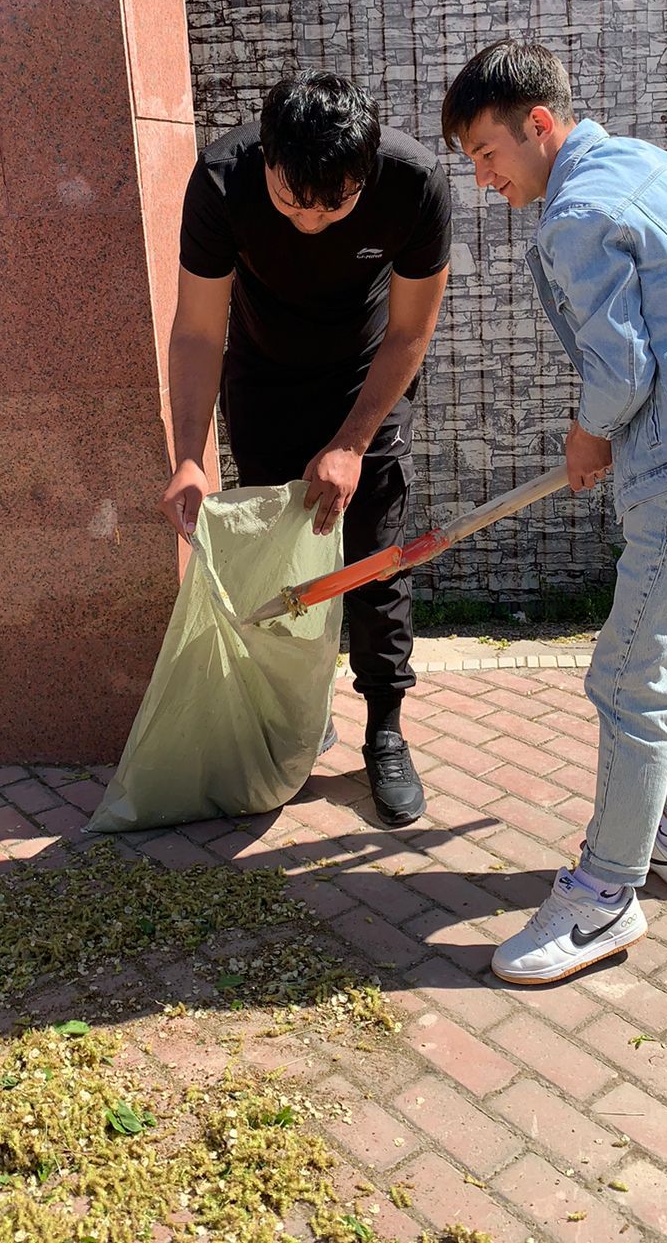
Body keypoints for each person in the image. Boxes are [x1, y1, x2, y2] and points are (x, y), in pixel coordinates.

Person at [441, 40, 667, 983]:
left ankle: (604, 896)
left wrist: (588, 434)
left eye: (487, 154)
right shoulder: (643, 162)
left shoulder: (577, 212)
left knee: (629, 677)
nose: (483, 179)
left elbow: (623, 370)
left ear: (539, 125)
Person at [161, 71, 451, 826]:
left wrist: (353, 441)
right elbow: (198, 331)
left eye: (335, 206)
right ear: (266, 160)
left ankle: (385, 731)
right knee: (278, 563)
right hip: (263, 379)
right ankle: (295, 717)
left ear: (367, 174)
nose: (313, 222)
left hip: (367, 379)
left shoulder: (414, 183)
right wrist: (189, 456)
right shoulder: (221, 183)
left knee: (374, 562)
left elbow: (411, 330)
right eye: (293, 203)